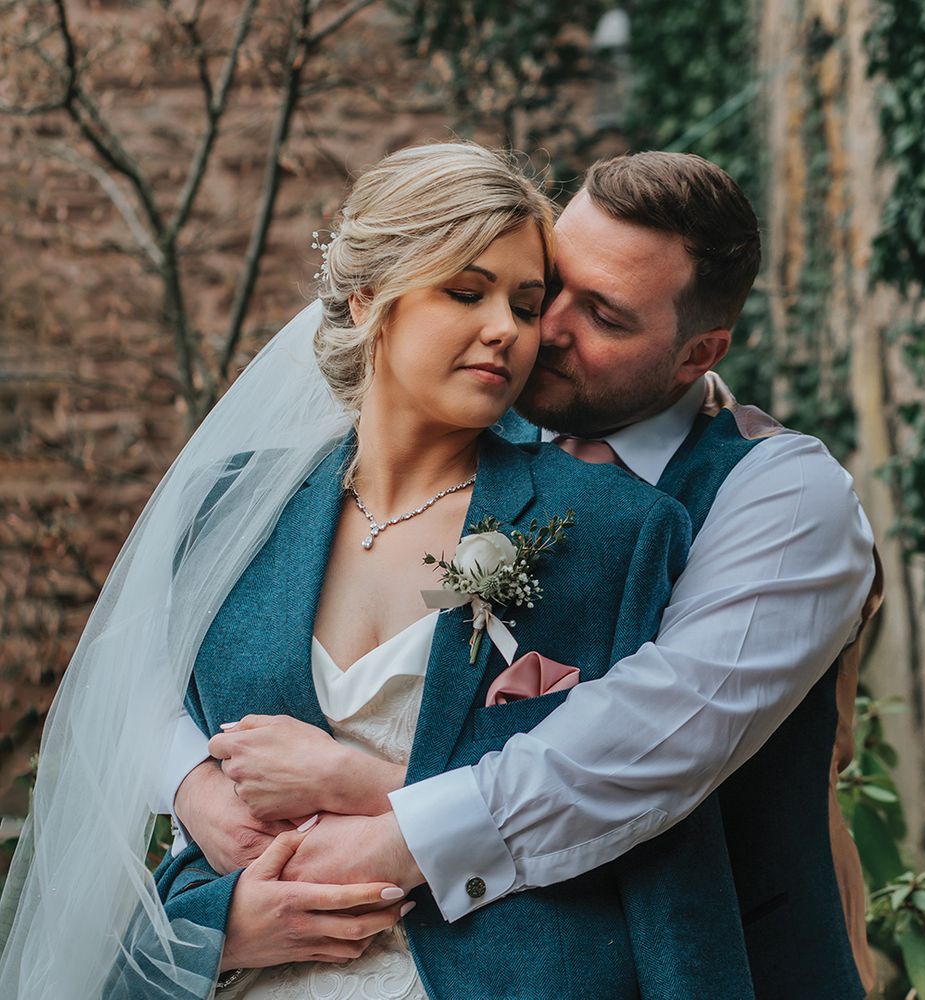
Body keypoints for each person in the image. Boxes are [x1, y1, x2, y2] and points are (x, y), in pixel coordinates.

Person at [0, 143, 757, 999]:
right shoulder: (232, 509)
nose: (508, 329)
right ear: (370, 299)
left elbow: (653, 830)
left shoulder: (614, 531)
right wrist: (219, 928)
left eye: (526, 302)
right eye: (466, 293)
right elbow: (139, 729)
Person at [172, 151, 881, 999]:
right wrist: (193, 787)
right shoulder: (446, 427)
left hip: (711, 956)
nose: (536, 331)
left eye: (603, 316)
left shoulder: (782, 493)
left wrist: (375, 801)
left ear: (700, 353)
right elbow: (148, 669)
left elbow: (644, 745)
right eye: (550, 289)